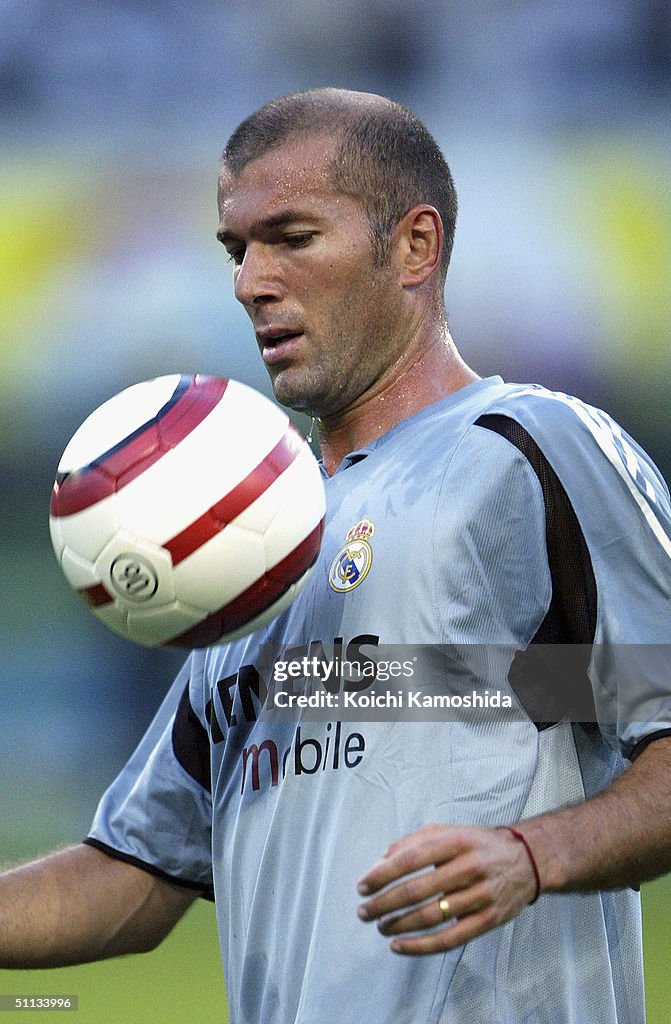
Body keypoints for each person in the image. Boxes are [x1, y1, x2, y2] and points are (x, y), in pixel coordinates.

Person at [2, 87, 671, 1023]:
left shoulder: (524, 450)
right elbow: (132, 876)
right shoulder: (240, 562)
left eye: (292, 237)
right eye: (238, 249)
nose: (248, 281)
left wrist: (530, 854)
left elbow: (644, 715)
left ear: (413, 245)